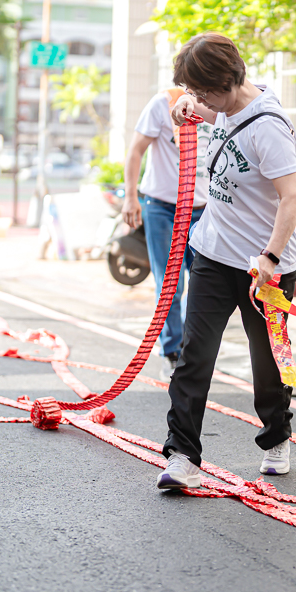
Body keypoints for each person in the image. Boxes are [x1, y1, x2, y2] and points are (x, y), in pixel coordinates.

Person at [156, 33, 296, 490]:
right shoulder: (219, 104)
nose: (197, 101)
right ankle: (182, 455)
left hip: (265, 267)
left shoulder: (268, 126)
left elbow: (293, 198)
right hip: (213, 255)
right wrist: (185, 105)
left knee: (268, 365)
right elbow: (190, 103)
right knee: (194, 356)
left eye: (202, 93)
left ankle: (277, 436)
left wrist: (270, 256)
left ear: (225, 83)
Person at [122, 88, 211, 379]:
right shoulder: (162, 103)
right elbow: (136, 149)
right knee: (170, 285)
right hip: (163, 208)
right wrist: (130, 197)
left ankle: (190, 349)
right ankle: (172, 352)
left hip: (203, 209)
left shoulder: (218, 104)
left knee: (203, 285)